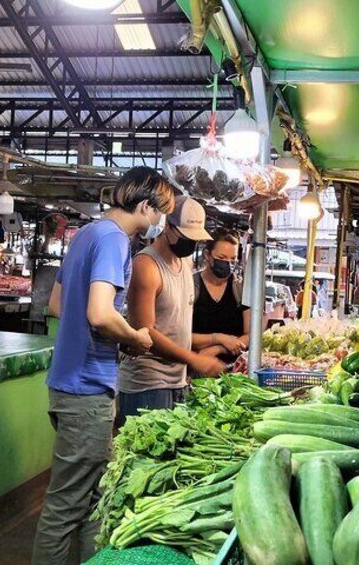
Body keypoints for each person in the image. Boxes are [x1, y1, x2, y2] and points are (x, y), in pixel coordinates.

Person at [33, 166, 173, 565]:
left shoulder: (86, 234)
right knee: (66, 508)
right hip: (85, 390)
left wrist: (114, 337)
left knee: (91, 500)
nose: (160, 223)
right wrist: (135, 337)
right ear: (145, 206)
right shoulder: (114, 240)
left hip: (67, 384)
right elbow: (99, 313)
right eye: (160, 213)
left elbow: (58, 305)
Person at [117, 196, 225, 424]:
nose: (191, 244)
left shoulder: (185, 263)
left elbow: (177, 323)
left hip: (177, 382)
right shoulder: (146, 266)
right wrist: (194, 360)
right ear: (167, 226)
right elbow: (144, 331)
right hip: (147, 385)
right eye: (186, 237)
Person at [191, 228, 250, 364]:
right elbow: (181, 336)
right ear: (207, 254)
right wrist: (219, 338)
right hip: (196, 366)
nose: (228, 264)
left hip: (235, 370)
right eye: (222, 258)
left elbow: (250, 335)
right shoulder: (191, 286)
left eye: (233, 259)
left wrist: (218, 349)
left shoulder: (241, 288)